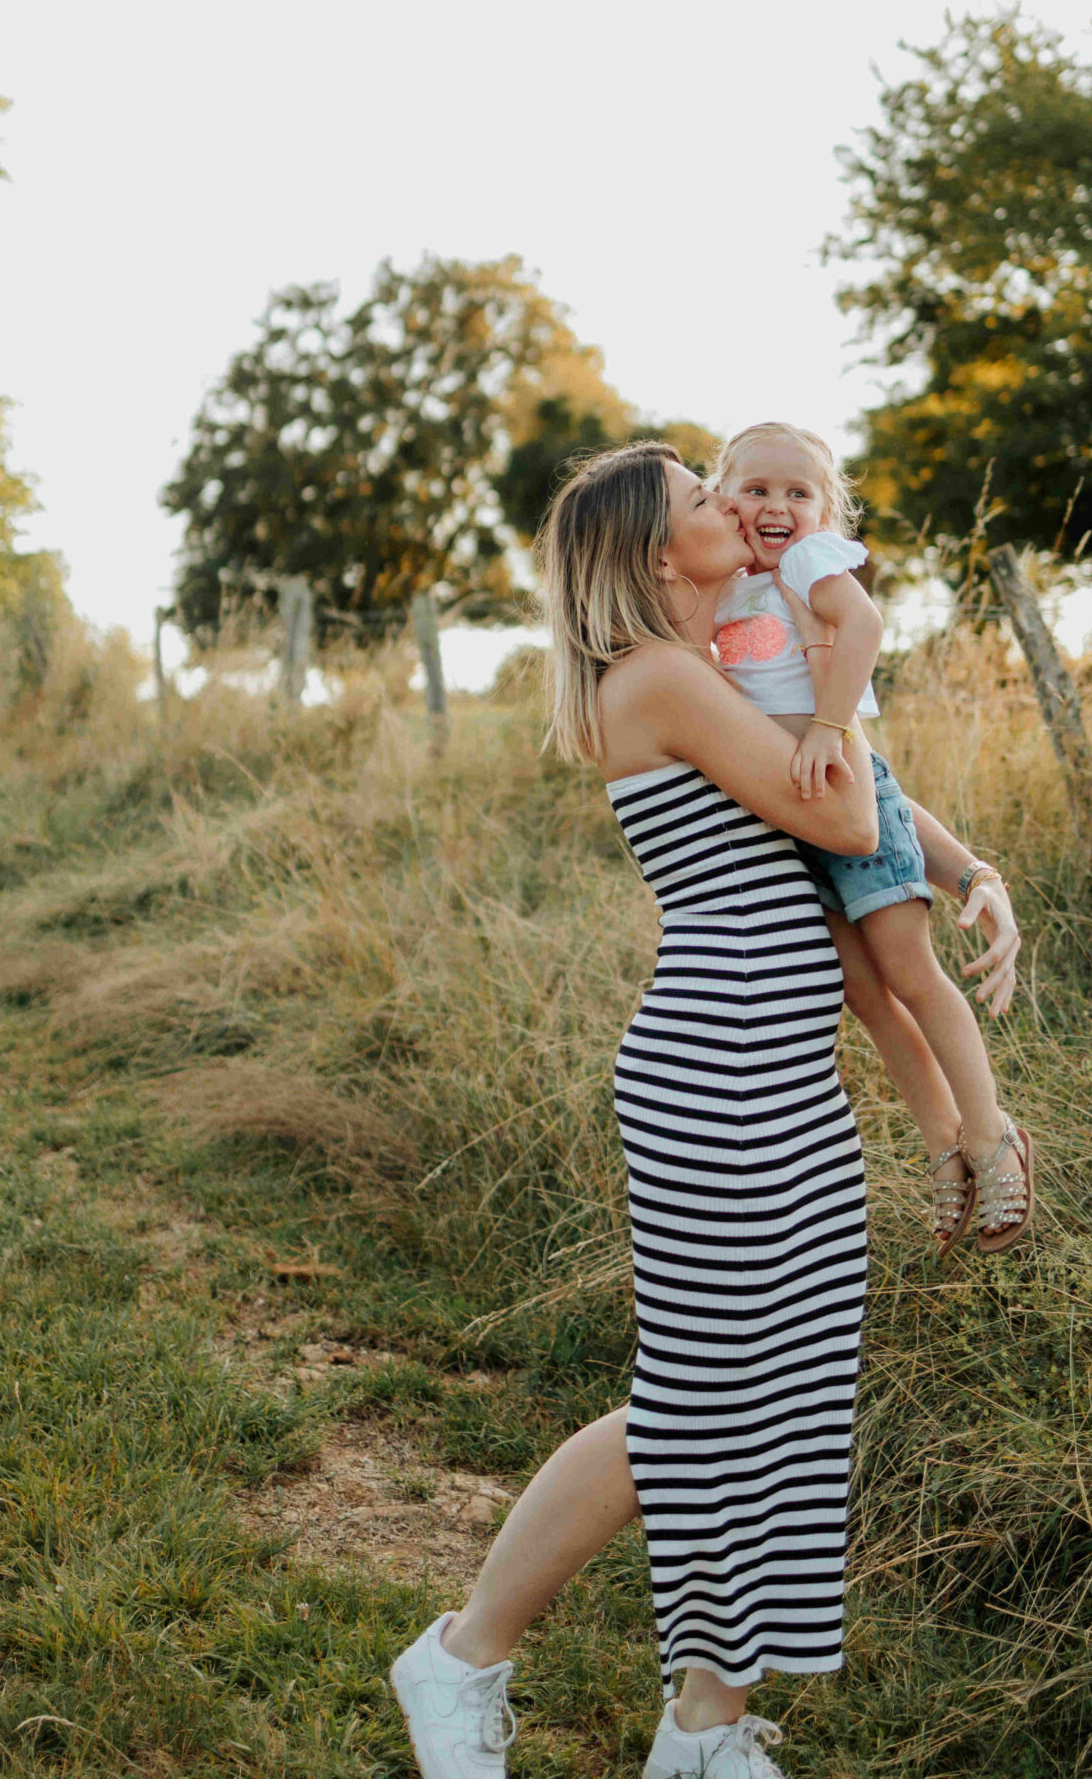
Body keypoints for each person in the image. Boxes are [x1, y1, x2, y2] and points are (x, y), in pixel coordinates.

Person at [390, 441, 1020, 1779]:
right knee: (693, 1404)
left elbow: (847, 782)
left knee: (783, 1395)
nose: (731, 508)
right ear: (651, 552)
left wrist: (971, 866)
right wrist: (833, 670)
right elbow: (848, 814)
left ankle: (702, 1735)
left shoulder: (728, 666)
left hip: (777, 1069)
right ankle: (460, 1660)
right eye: (697, 501)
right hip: (716, 1072)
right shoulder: (665, 680)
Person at [711, 421, 1033, 1257]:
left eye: (797, 492)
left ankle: (992, 1136)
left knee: (908, 972)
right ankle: (942, 1147)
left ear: (825, 508)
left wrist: (825, 724)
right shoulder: (725, 591)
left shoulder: (811, 561)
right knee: (861, 994)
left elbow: (863, 629)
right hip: (795, 821)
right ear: (720, 496)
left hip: (847, 793)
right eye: (755, 489)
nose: (776, 506)